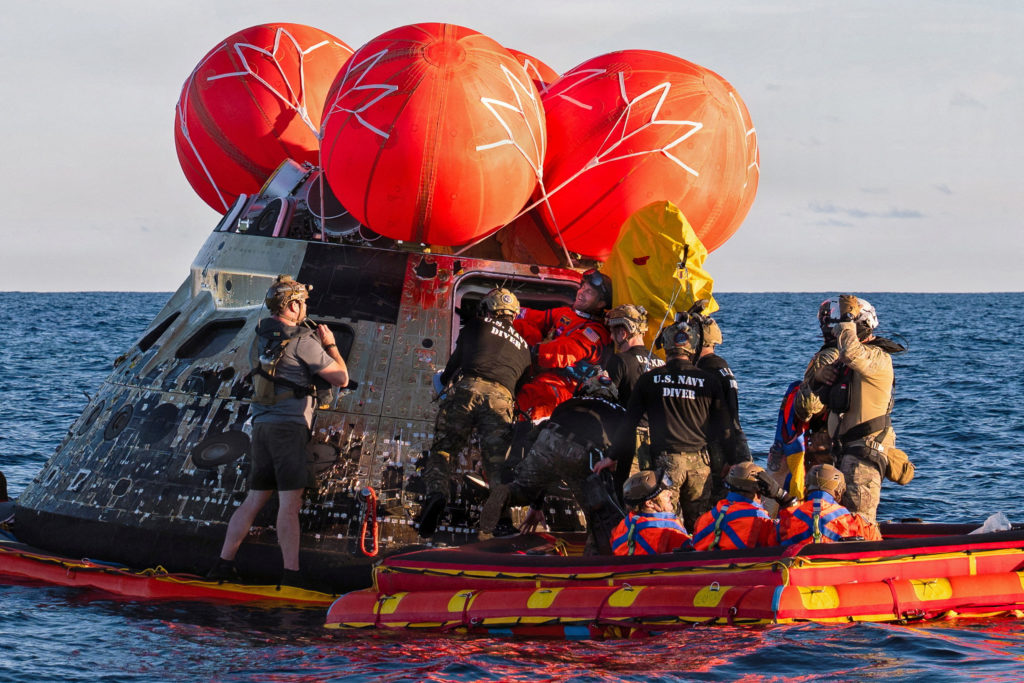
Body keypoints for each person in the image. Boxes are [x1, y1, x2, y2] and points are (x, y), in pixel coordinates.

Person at [209, 275, 350, 586]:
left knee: (254, 498)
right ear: (293, 305)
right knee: (290, 505)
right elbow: (341, 378)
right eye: (303, 304)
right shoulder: (304, 342)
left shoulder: (259, 337)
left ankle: (223, 564)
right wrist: (331, 345)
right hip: (289, 429)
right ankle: (291, 575)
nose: (305, 309)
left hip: (260, 427)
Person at [416, 287, 533, 537]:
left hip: (468, 388)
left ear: (489, 307)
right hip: (502, 399)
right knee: (497, 466)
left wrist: (445, 383)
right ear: (513, 314)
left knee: (444, 450)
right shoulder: (524, 347)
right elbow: (521, 386)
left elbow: (456, 361)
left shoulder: (477, 324)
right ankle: (502, 522)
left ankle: (436, 495)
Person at [479, 372, 629, 553]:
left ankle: (508, 492)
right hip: (583, 450)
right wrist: (618, 495)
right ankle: (595, 562)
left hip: (547, 439)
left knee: (524, 488)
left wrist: (536, 504)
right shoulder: (620, 411)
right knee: (599, 520)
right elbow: (626, 450)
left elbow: (547, 466)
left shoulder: (568, 404)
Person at [614, 319, 735, 533]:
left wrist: (612, 456)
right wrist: (733, 461)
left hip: (666, 463)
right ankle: (700, 562)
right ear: (694, 347)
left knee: (665, 521)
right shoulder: (709, 381)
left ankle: (664, 559)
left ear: (666, 346)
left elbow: (628, 423)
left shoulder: (649, 379)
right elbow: (725, 428)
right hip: (700, 465)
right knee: (700, 525)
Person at [794, 295, 907, 523]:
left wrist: (847, 319)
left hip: (863, 454)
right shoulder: (842, 364)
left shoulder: (876, 358)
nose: (836, 333)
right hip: (841, 453)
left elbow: (851, 353)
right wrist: (817, 381)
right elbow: (804, 408)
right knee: (837, 520)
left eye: (841, 329)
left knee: (859, 520)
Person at [513, 269, 613, 421]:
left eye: (589, 292)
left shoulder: (595, 333)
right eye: (582, 288)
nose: (581, 293)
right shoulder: (567, 314)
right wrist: (507, 309)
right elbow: (534, 317)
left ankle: (502, 432)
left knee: (532, 395)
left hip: (566, 389)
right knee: (524, 328)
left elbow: (564, 351)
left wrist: (531, 351)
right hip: (543, 374)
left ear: (600, 303)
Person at [604, 304, 664, 491]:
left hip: (630, 443)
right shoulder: (661, 363)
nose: (612, 338)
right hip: (660, 441)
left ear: (623, 332)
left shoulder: (619, 361)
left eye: (613, 332)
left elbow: (606, 403)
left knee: (629, 494)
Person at [695, 318, 752, 500]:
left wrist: (729, 457)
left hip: (722, 445)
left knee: (717, 498)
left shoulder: (706, 370)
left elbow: (721, 416)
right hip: (737, 439)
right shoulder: (722, 366)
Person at [779, 464, 882, 545]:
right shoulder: (855, 523)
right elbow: (877, 545)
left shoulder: (788, 517)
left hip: (797, 566)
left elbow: (767, 537)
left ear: (806, 488)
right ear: (839, 491)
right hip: (838, 568)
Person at [691, 462, 779, 551]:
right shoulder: (761, 521)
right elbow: (789, 541)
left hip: (703, 562)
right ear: (760, 492)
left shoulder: (707, 517)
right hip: (742, 563)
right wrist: (783, 497)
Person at [610, 469, 691, 556]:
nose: (670, 494)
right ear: (650, 503)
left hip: (626, 567)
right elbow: (692, 553)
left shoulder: (625, 523)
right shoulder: (670, 528)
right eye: (664, 493)